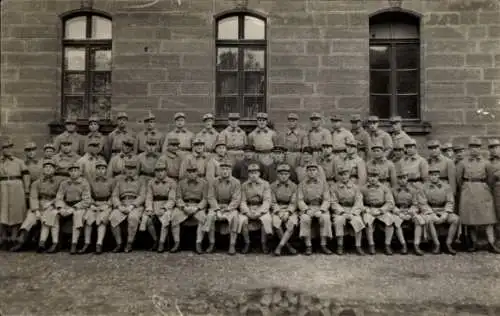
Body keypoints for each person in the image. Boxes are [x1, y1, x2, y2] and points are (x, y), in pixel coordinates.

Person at [456, 137, 500, 253]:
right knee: (471, 219)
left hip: (483, 190)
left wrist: (482, 186)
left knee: (488, 218)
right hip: (468, 190)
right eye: (472, 147)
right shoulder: (462, 163)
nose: (474, 150)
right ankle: (474, 243)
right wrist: (467, 187)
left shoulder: (486, 163)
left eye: (477, 147)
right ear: (469, 148)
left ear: (480, 149)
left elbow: (490, 179)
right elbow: (459, 179)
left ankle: (491, 242)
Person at [10, 159, 60, 252]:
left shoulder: (59, 182)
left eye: (50, 167)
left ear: (54, 169)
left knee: (52, 215)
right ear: (43, 169)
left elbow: (60, 196)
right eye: (46, 167)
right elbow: (33, 197)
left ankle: (45, 243)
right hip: (39, 205)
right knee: (30, 217)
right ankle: (21, 242)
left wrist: (52, 203)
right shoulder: (36, 183)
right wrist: (36, 210)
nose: (48, 169)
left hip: (52, 205)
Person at [170, 161, 208, 254]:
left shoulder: (203, 183)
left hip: (197, 206)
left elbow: (205, 199)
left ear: (197, 172)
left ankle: (198, 243)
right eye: (189, 171)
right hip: (185, 205)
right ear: (186, 172)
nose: (192, 174)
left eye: (194, 171)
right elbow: (178, 198)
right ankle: (176, 242)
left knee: (203, 218)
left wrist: (197, 208)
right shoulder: (181, 183)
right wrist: (183, 207)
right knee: (174, 216)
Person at [422, 165, 460, 255]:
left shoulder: (446, 186)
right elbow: (423, 203)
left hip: (443, 209)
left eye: (435, 175)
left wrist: (446, 213)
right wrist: (431, 213)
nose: (433, 177)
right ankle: (436, 244)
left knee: (456, 219)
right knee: (430, 220)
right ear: (429, 176)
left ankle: (448, 243)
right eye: (431, 175)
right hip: (431, 210)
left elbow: (450, 201)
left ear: (439, 175)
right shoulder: (423, 187)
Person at [110, 158, 146, 253]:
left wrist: (132, 206)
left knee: (133, 217)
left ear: (136, 170)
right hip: (122, 204)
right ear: (125, 169)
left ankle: (129, 242)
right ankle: (119, 243)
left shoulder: (141, 181)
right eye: (128, 168)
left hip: (135, 205)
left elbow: (142, 196)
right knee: (113, 216)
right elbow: (114, 196)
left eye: (132, 168)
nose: (130, 171)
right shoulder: (120, 181)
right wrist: (119, 206)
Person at [55, 162, 91, 254]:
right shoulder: (64, 183)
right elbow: (59, 197)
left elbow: (86, 200)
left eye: (76, 170)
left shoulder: (84, 183)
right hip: (66, 205)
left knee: (77, 215)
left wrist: (74, 208)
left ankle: (74, 243)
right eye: (71, 171)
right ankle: (55, 242)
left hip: (80, 206)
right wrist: (61, 208)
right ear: (69, 172)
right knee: (55, 214)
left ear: (79, 172)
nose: (74, 173)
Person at [297, 162, 333, 255]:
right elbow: (299, 200)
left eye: (314, 170)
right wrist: (306, 210)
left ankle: (323, 245)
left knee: (325, 218)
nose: (312, 172)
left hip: (320, 206)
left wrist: (321, 210)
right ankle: (308, 245)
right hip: (308, 207)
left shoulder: (323, 183)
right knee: (305, 218)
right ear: (306, 172)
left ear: (317, 171)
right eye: (309, 170)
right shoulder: (302, 184)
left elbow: (327, 199)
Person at [0, 138, 30, 249]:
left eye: (9, 147)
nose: (7, 149)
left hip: (17, 186)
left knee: (16, 212)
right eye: (5, 147)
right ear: (2, 149)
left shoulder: (19, 162)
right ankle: (3, 237)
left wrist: (26, 190)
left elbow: (26, 176)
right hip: (2, 186)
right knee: (3, 211)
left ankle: (14, 236)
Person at [206, 159, 241, 255]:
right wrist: (217, 209)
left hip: (230, 207)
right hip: (217, 206)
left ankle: (232, 244)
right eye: (222, 169)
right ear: (219, 170)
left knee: (234, 217)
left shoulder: (236, 182)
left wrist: (228, 209)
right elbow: (211, 197)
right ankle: (212, 243)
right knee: (210, 216)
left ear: (230, 170)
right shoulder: (214, 181)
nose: (225, 171)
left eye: (227, 169)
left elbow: (236, 199)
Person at [360, 167, 396, 255]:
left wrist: (381, 210)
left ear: (378, 177)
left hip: (381, 209)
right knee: (367, 221)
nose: (372, 178)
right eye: (371, 176)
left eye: (375, 176)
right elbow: (359, 203)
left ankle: (387, 244)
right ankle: (371, 245)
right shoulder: (363, 189)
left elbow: (390, 203)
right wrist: (366, 209)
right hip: (369, 209)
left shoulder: (384, 188)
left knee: (390, 220)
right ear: (368, 177)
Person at [330, 166, 365, 255]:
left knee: (358, 220)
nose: (343, 177)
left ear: (349, 175)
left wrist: (353, 213)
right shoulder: (334, 187)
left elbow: (358, 201)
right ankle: (340, 245)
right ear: (339, 176)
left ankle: (358, 245)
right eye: (341, 175)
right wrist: (342, 212)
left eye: (345, 174)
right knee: (339, 221)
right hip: (340, 210)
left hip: (353, 209)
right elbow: (333, 202)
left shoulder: (355, 187)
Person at [239, 163, 273, 254]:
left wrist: (260, 212)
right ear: (248, 174)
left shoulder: (265, 184)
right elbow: (242, 201)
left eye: (255, 172)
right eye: (251, 173)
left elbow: (267, 200)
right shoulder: (244, 185)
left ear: (259, 174)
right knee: (242, 220)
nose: (253, 175)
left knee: (266, 219)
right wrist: (247, 212)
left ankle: (264, 243)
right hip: (249, 207)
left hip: (261, 206)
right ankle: (247, 243)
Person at [392, 169, 427, 255]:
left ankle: (416, 245)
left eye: (404, 178)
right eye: (400, 178)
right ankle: (403, 244)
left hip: (410, 211)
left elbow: (415, 204)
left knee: (418, 220)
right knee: (396, 222)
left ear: (407, 178)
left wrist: (410, 213)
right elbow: (391, 204)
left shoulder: (413, 190)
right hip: (398, 211)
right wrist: (399, 213)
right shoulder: (393, 190)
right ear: (397, 179)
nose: (402, 180)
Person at [144, 161, 176, 253]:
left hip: (166, 205)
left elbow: (172, 199)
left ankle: (162, 242)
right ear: (155, 172)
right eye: (157, 171)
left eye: (162, 170)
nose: (160, 173)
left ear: (166, 171)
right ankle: (155, 240)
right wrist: (149, 208)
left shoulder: (171, 182)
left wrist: (164, 208)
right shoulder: (151, 182)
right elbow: (149, 197)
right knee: (147, 219)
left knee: (165, 218)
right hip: (154, 204)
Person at [83, 159, 113, 254]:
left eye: (103, 168)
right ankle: (87, 243)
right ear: (96, 170)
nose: (100, 171)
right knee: (88, 218)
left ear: (106, 170)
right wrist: (91, 204)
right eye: (99, 168)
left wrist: (107, 204)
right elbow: (88, 195)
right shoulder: (91, 182)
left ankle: (99, 244)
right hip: (94, 204)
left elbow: (114, 196)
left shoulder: (111, 181)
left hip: (106, 205)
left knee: (102, 220)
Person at [271, 164, 299, 256]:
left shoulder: (294, 186)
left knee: (291, 223)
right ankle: (288, 246)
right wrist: (278, 212)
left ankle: (279, 246)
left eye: (286, 174)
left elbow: (294, 202)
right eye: (281, 174)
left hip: (289, 209)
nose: (283, 176)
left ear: (289, 175)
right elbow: (273, 202)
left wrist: (288, 212)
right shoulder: (273, 186)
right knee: (276, 223)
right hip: (277, 209)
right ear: (278, 175)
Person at [488, 139, 500, 240]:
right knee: (497, 213)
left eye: (496, 147)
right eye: (491, 148)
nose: (494, 150)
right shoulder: (489, 162)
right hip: (494, 190)